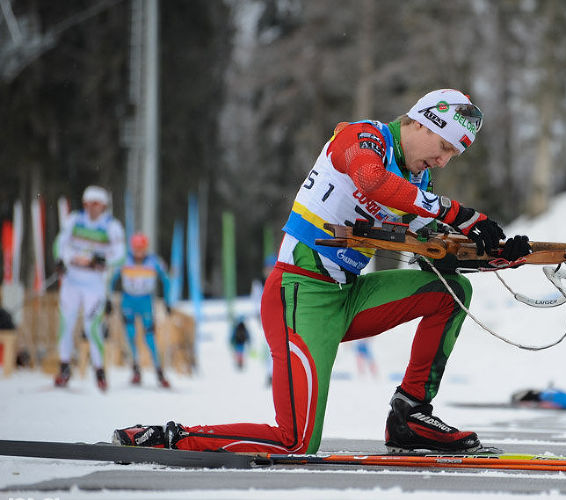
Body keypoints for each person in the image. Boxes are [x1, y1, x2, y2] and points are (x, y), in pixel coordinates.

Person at [112, 89, 532, 453]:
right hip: (299, 294)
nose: (443, 162)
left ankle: (410, 416)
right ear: (423, 123)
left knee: (449, 291)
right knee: (296, 440)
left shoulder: (418, 184)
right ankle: (171, 437)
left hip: (347, 297)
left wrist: (497, 252)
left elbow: (435, 251)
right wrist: (459, 214)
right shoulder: (363, 137)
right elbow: (371, 181)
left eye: (452, 156)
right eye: (444, 148)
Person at [54, 186, 125, 391]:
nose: (91, 207)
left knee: (91, 326)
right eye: (87, 203)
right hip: (72, 281)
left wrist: (104, 259)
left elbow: (120, 254)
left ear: (103, 205)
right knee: (66, 323)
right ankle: (64, 367)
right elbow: (60, 242)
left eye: (95, 203)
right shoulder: (75, 219)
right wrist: (60, 260)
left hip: (94, 283)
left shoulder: (111, 225)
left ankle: (99, 371)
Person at [109, 232, 172, 388]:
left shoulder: (154, 261)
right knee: (130, 335)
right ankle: (136, 369)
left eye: (141, 248)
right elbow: (111, 279)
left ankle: (159, 371)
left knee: (149, 337)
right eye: (136, 248)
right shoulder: (124, 260)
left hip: (145, 302)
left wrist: (168, 301)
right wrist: (108, 298)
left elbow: (166, 279)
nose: (139, 252)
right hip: (128, 301)